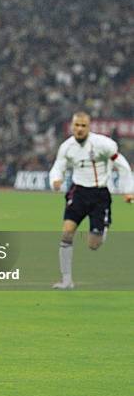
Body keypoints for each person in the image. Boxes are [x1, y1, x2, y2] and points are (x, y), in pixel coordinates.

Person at [49, 112, 133, 289]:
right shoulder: (67, 147)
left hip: (99, 195)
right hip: (78, 192)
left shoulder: (103, 144)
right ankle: (66, 280)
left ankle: (103, 227)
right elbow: (58, 166)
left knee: (93, 244)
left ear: (89, 127)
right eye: (76, 125)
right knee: (66, 233)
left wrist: (128, 190)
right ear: (72, 126)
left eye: (83, 126)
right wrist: (55, 179)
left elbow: (122, 164)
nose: (79, 129)